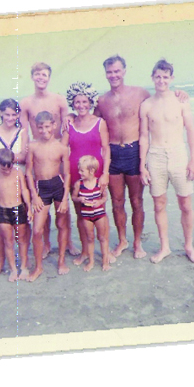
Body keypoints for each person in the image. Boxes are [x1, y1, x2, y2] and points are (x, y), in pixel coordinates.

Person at [96, 55, 188, 259]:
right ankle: (122, 240)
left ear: (124, 71)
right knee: (117, 201)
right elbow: (90, 119)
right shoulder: (102, 101)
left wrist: (180, 93)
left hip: (133, 151)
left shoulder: (140, 94)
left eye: (117, 71)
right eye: (110, 72)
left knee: (136, 201)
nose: (114, 75)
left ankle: (137, 243)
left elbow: (162, 98)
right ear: (106, 74)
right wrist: (70, 117)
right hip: (113, 154)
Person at [139, 59, 194, 264]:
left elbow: (190, 130)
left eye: (165, 77)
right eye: (158, 76)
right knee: (159, 204)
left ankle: (189, 246)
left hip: (178, 154)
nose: (161, 80)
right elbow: (143, 137)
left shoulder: (181, 100)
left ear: (171, 78)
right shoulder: (146, 105)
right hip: (155, 155)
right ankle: (164, 247)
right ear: (152, 77)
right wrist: (142, 166)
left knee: (185, 203)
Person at [19, 62, 79, 257]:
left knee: (63, 201)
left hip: (56, 154)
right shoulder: (26, 103)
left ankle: (68, 242)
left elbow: (66, 127)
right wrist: (25, 152)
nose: (41, 78)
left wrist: (61, 149)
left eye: (44, 75)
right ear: (32, 77)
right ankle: (46, 244)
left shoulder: (59, 100)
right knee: (41, 202)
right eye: (37, 75)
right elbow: (24, 131)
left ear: (49, 77)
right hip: (37, 154)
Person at [63, 81, 112, 267]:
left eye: (84, 102)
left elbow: (106, 150)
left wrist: (105, 173)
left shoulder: (100, 123)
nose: (81, 105)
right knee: (81, 214)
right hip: (76, 175)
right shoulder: (69, 123)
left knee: (100, 212)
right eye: (77, 102)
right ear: (72, 103)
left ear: (90, 102)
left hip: (96, 174)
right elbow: (62, 149)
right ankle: (85, 251)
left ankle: (105, 253)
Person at [0, 98, 28, 278]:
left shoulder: (22, 132)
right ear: (0, 113)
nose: (10, 118)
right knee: (4, 231)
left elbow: (25, 157)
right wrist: (13, 157)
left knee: (22, 229)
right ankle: (2, 263)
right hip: (2, 183)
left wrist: (3, 157)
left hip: (20, 180)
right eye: (6, 114)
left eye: (13, 114)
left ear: (17, 114)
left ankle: (24, 264)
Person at [26, 111, 72, 281]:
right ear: (36, 128)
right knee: (37, 230)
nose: (44, 130)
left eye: (47, 126)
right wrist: (34, 196)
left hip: (58, 187)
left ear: (54, 125)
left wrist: (66, 197)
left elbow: (66, 174)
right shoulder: (32, 146)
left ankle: (61, 261)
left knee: (62, 224)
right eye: (40, 127)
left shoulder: (61, 147)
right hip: (42, 189)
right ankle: (38, 267)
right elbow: (29, 173)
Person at [0, 149, 33, 282]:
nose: (7, 171)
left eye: (9, 168)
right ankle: (13, 269)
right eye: (3, 169)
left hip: (18, 208)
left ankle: (23, 267)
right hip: (3, 211)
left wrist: (29, 208)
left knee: (22, 240)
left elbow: (24, 190)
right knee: (8, 242)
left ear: (13, 162)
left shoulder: (18, 172)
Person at [72, 155, 113, 272]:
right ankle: (91, 261)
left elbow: (105, 197)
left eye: (82, 171)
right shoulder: (78, 184)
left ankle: (105, 261)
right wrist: (80, 199)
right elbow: (74, 197)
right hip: (86, 215)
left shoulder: (99, 183)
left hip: (100, 214)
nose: (79, 172)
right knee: (90, 238)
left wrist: (99, 201)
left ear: (92, 171)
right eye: (79, 170)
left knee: (103, 238)